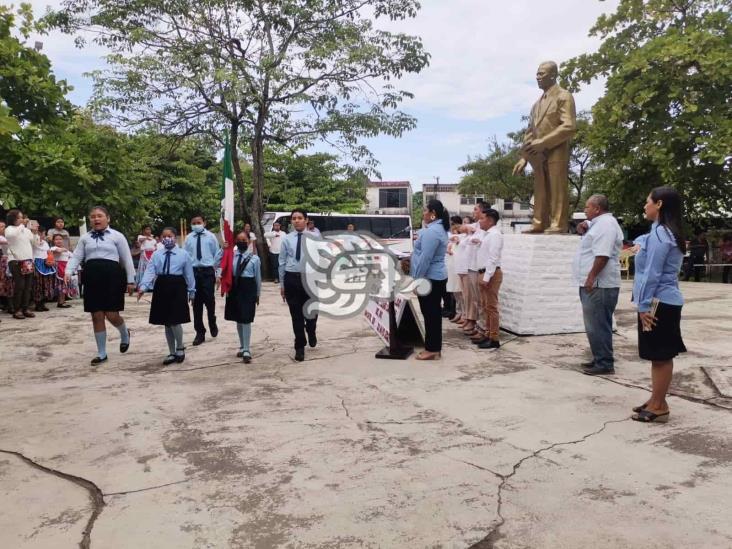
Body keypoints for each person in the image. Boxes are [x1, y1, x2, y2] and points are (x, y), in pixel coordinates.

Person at [631, 187, 687, 423]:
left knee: (661, 355)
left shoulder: (661, 235)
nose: (645, 206)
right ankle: (657, 398)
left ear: (659, 204)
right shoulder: (659, 232)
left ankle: (659, 405)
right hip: (661, 300)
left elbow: (652, 274)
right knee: (657, 354)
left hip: (658, 303)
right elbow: (644, 245)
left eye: (648, 202)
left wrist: (643, 306)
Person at [66, 206, 136, 365]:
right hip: (92, 277)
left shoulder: (117, 236)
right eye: (92, 217)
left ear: (108, 218)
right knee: (96, 315)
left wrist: (131, 280)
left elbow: (126, 259)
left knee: (111, 314)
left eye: (99, 216)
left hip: (112, 276)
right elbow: (77, 256)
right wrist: (68, 271)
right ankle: (102, 353)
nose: (96, 219)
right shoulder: (85, 238)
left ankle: (124, 333)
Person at [571, 195, 623, 375]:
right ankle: (600, 357)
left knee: (597, 324)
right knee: (597, 324)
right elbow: (590, 229)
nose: (585, 210)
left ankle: (604, 363)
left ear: (597, 209)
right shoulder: (599, 223)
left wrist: (591, 277)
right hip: (596, 284)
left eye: (587, 207)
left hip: (599, 284)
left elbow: (602, 255)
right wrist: (585, 224)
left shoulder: (606, 225)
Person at [137, 227, 195, 365]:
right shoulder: (157, 255)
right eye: (164, 236)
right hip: (162, 285)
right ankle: (171, 352)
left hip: (177, 285)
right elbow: (150, 271)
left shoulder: (183, 254)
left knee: (175, 320)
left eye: (169, 235)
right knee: (167, 323)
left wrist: (192, 291)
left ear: (175, 237)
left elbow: (189, 274)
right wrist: (143, 286)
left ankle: (180, 347)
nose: (167, 238)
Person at [410, 199, 449, 360]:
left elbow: (425, 258)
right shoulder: (437, 229)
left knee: (431, 314)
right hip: (435, 276)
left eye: (425, 211)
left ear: (433, 214)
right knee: (432, 313)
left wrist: (417, 280)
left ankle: (432, 349)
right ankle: (434, 347)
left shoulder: (431, 232)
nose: (423, 213)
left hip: (429, 278)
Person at [279, 209, 318, 362]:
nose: (296, 221)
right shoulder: (287, 239)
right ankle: (299, 346)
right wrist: (282, 284)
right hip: (292, 278)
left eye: (300, 218)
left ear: (306, 220)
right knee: (296, 315)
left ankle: (311, 330)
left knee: (311, 313)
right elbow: (281, 262)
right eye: (294, 218)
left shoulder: (315, 238)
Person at [183, 214, 222, 346]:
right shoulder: (188, 238)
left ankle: (212, 320)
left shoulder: (211, 237)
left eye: (198, 222)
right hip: (194, 272)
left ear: (204, 223)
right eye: (193, 223)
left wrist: (218, 274)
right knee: (196, 303)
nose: (196, 225)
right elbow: (185, 257)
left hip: (207, 271)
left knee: (209, 300)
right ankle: (200, 332)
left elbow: (216, 255)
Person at [225, 231, 262, 364]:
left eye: (244, 240)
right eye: (239, 240)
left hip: (248, 288)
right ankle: (242, 346)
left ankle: (247, 348)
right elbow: (219, 263)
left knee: (246, 319)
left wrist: (258, 294)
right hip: (235, 288)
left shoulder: (254, 259)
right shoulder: (231, 256)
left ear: (249, 241)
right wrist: (224, 249)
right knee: (238, 319)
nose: (241, 242)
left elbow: (258, 278)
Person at [471, 206, 504, 350]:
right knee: (485, 306)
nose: (480, 221)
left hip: (490, 274)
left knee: (491, 307)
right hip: (484, 273)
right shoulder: (487, 234)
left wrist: (487, 276)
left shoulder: (495, 234)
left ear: (490, 221)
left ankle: (494, 338)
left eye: (483, 218)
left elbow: (493, 257)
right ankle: (488, 334)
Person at [5, 210, 39, 319]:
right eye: (19, 217)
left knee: (28, 287)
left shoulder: (25, 229)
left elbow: (35, 243)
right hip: (15, 260)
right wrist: (22, 225)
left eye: (22, 217)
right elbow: (12, 236)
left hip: (28, 260)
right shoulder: (9, 229)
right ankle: (17, 310)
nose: (22, 219)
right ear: (13, 219)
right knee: (20, 286)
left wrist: (34, 232)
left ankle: (25, 308)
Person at [32, 226, 57, 312]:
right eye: (42, 233)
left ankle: (43, 303)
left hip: (45, 263)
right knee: (38, 284)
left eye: (44, 233)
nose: (43, 235)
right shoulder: (33, 242)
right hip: (37, 263)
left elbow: (48, 252)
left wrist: (51, 260)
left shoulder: (45, 243)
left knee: (45, 284)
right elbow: (36, 243)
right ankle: (37, 304)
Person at [444, 216, 463, 320]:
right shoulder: (451, 240)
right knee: (454, 291)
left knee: (460, 292)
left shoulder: (461, 240)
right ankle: (458, 312)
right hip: (450, 267)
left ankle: (461, 313)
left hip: (458, 268)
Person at [50, 233, 74, 307]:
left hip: (65, 269)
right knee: (60, 285)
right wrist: (64, 249)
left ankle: (62, 301)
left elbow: (73, 257)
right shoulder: (53, 248)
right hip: (58, 269)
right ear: (53, 241)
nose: (58, 241)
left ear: (63, 240)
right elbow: (59, 250)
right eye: (56, 239)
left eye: (60, 239)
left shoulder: (67, 251)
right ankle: (60, 302)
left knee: (64, 285)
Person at [0, 221, 9, 315]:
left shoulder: (7, 237)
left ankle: (6, 303)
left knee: (6, 282)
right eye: (1, 226)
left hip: (7, 261)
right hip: (2, 262)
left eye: (4, 226)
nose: (3, 228)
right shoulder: (2, 238)